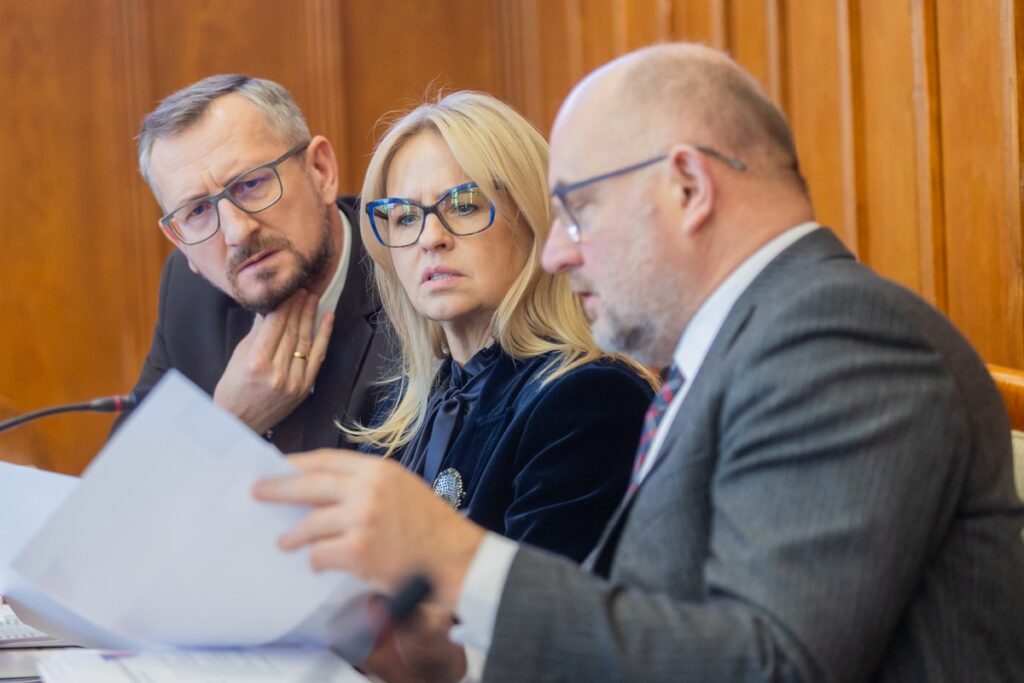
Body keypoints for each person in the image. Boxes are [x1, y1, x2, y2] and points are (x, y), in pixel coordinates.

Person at [255, 43, 1024, 682]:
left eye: (577, 211)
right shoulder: (748, 347)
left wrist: (456, 554)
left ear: (688, 186)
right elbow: (652, 629)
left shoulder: (842, 338)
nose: (558, 251)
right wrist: (447, 657)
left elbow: (771, 668)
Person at [342, 91, 654, 562]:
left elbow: (531, 619)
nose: (430, 238)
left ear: (531, 217)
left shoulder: (590, 398)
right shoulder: (401, 409)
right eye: (405, 216)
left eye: (463, 204)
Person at [118, 75, 390, 451]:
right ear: (180, 242)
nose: (236, 232)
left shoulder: (408, 266)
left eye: (250, 184)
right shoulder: (189, 295)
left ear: (321, 171)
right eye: (197, 210)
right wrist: (227, 424)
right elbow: (126, 490)